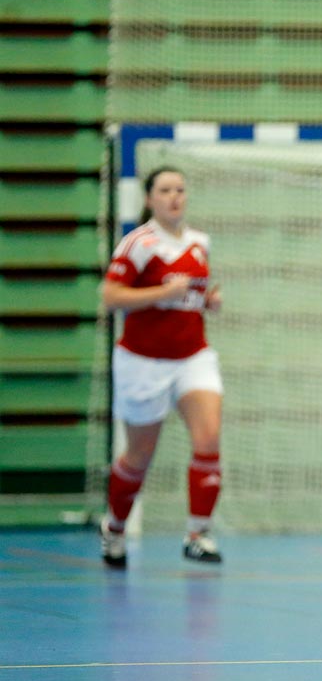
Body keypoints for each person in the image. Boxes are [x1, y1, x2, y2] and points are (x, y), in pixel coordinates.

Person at [99, 166, 226, 567]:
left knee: (208, 439)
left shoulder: (199, 243)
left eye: (180, 190)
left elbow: (192, 295)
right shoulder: (138, 243)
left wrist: (209, 300)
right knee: (139, 455)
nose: (175, 197)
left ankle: (197, 532)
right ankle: (115, 528)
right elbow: (111, 296)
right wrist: (161, 292)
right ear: (150, 199)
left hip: (192, 356)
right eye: (165, 190)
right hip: (143, 361)